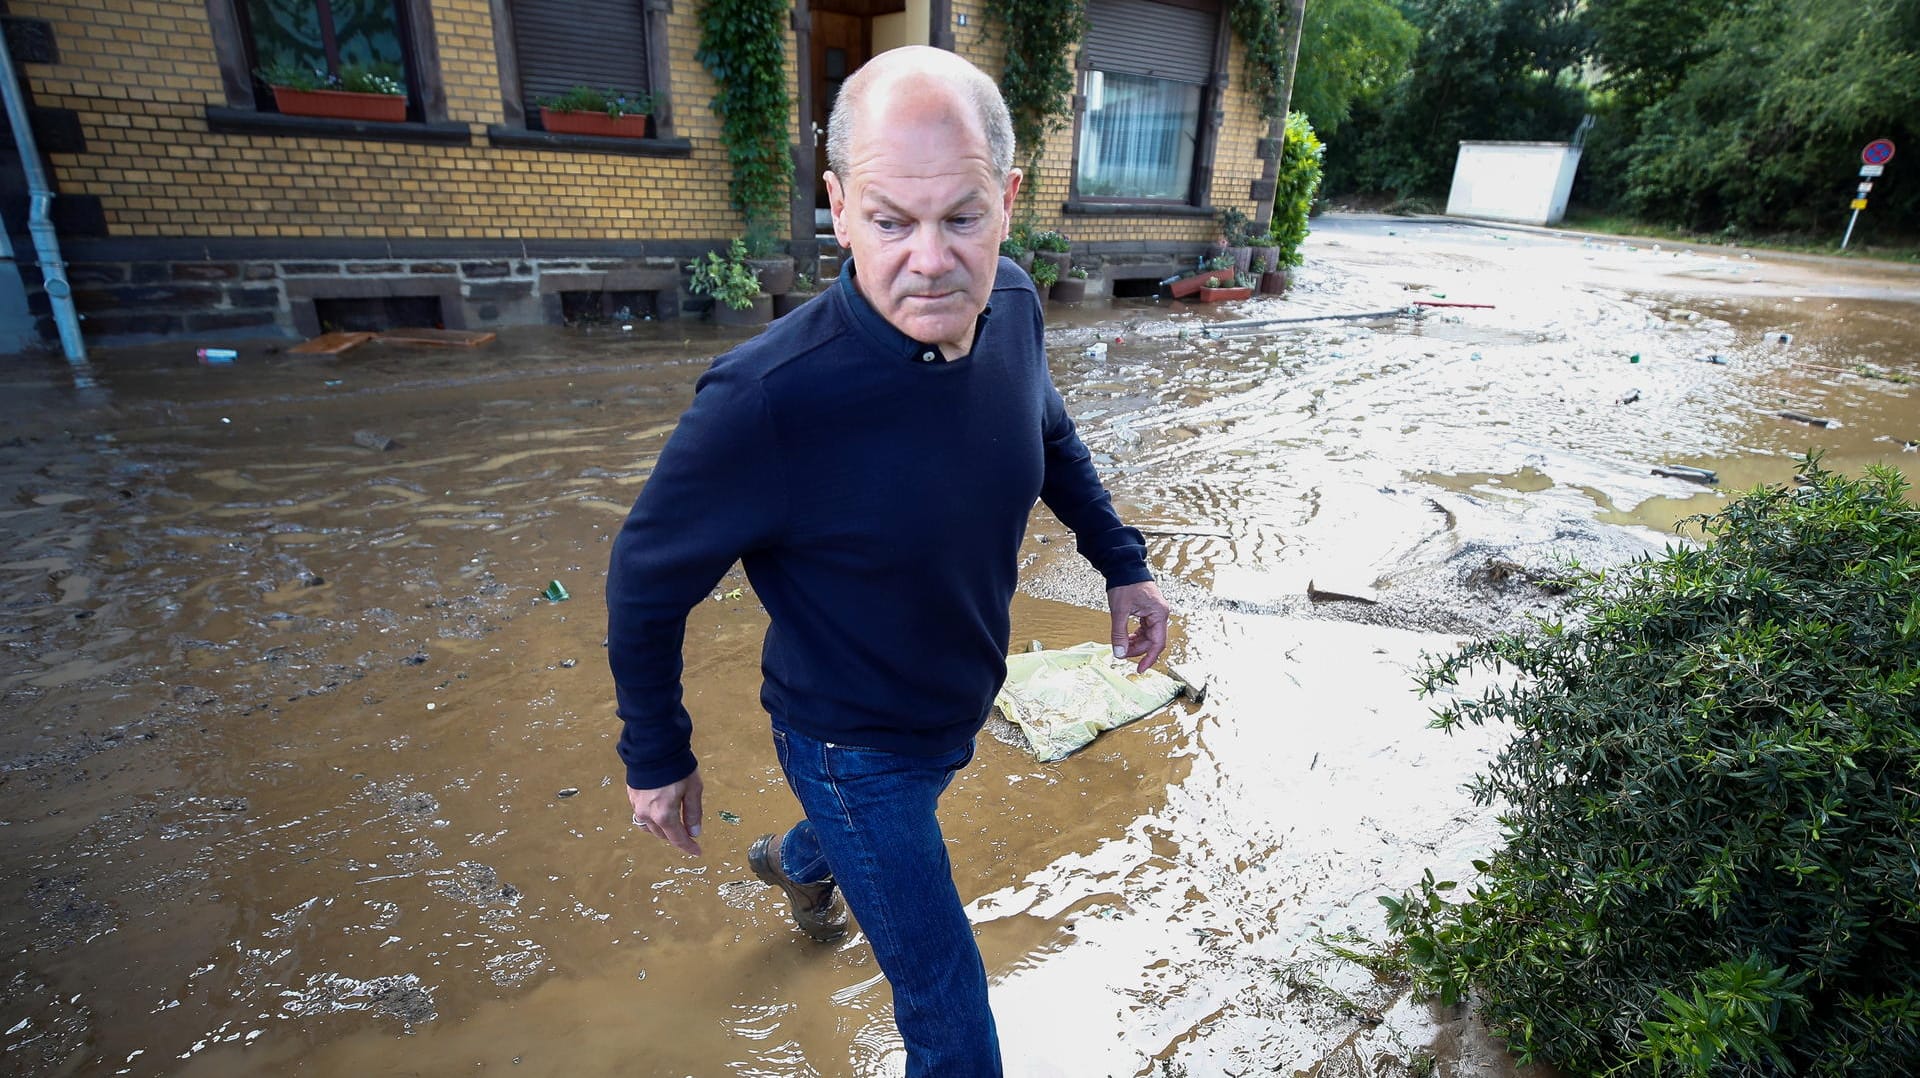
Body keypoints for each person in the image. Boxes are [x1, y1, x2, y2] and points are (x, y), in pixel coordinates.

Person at [605, 45, 1169, 1076]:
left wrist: (1121, 563)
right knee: (950, 1010)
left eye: (961, 217)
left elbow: (1046, 433)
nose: (930, 259)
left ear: (1008, 199)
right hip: (848, 742)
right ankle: (826, 841)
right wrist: (657, 752)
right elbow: (645, 576)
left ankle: (796, 860)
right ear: (836, 205)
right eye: (889, 221)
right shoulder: (766, 399)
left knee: (870, 837)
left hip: (954, 697)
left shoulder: (1016, 307)